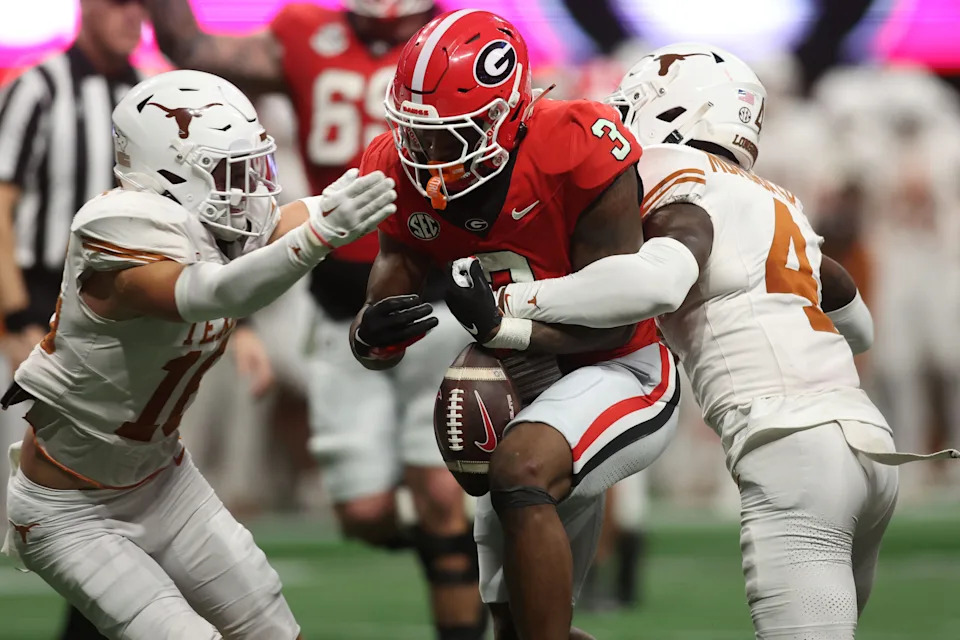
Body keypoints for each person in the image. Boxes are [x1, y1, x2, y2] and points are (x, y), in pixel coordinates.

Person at [489, 43, 960, 638]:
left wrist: (514, 303)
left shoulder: (666, 170)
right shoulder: (774, 196)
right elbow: (857, 325)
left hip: (790, 448)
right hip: (870, 449)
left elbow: (659, 280)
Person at [1, 69, 397, 640]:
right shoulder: (121, 228)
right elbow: (213, 291)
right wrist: (321, 236)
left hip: (162, 478)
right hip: (70, 508)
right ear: (171, 169)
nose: (253, 187)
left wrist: (355, 188)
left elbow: (284, 225)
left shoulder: (208, 221)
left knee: (269, 623)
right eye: (232, 170)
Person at [144, 3, 487, 637]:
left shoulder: (463, 42)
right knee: (363, 511)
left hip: (433, 303)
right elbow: (189, 44)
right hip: (338, 309)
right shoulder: (305, 32)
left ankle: (458, 583)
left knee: (442, 497)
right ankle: (451, 551)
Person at [354, 10, 680, 640]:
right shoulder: (396, 167)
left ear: (505, 117)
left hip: (622, 368)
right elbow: (382, 326)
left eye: (447, 137)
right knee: (517, 631)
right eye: (414, 136)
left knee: (520, 471)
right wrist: (370, 337)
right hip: (524, 382)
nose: (425, 156)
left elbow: (619, 316)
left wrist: (506, 332)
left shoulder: (577, 142)